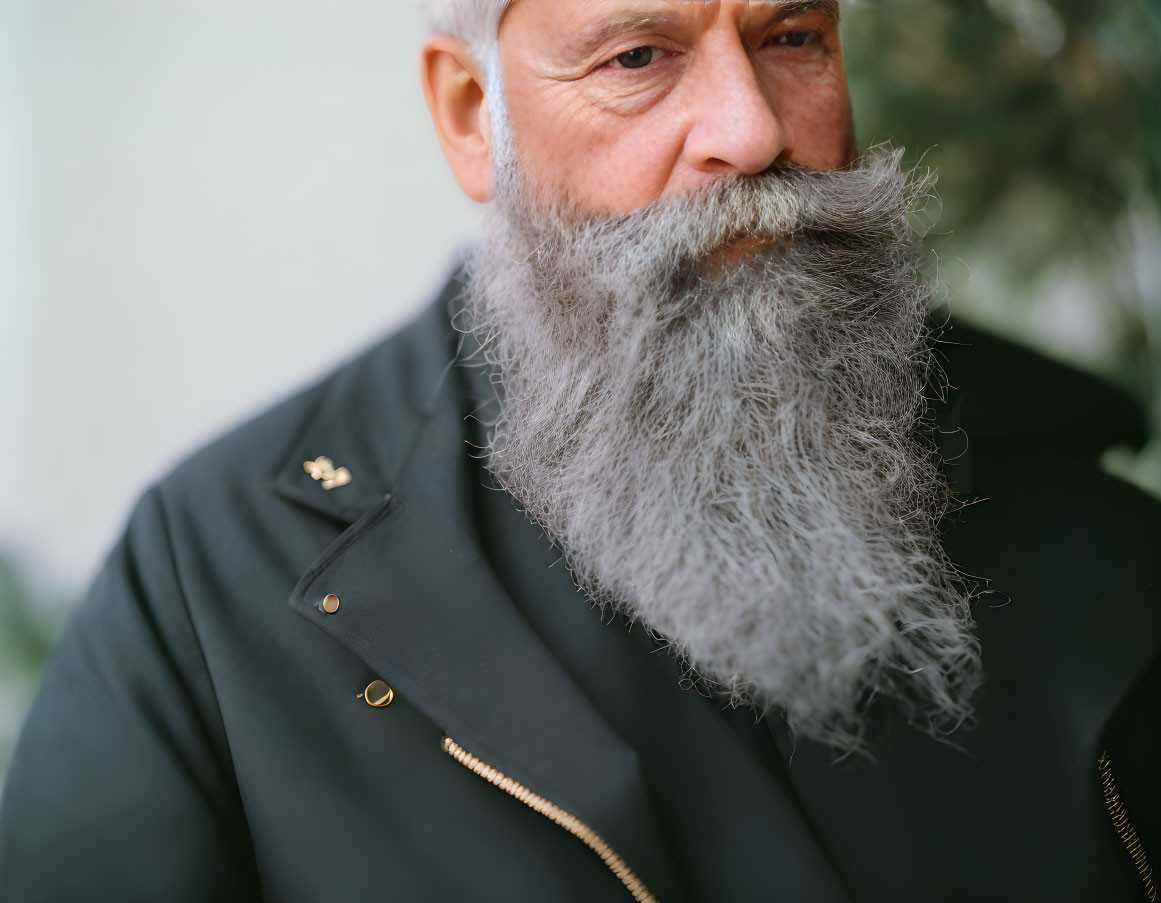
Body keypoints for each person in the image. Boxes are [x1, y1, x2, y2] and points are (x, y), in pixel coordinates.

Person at [2, 1, 1158, 900]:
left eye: (793, 36)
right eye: (637, 58)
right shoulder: (212, 584)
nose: (751, 132)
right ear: (470, 113)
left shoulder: (1089, 525)